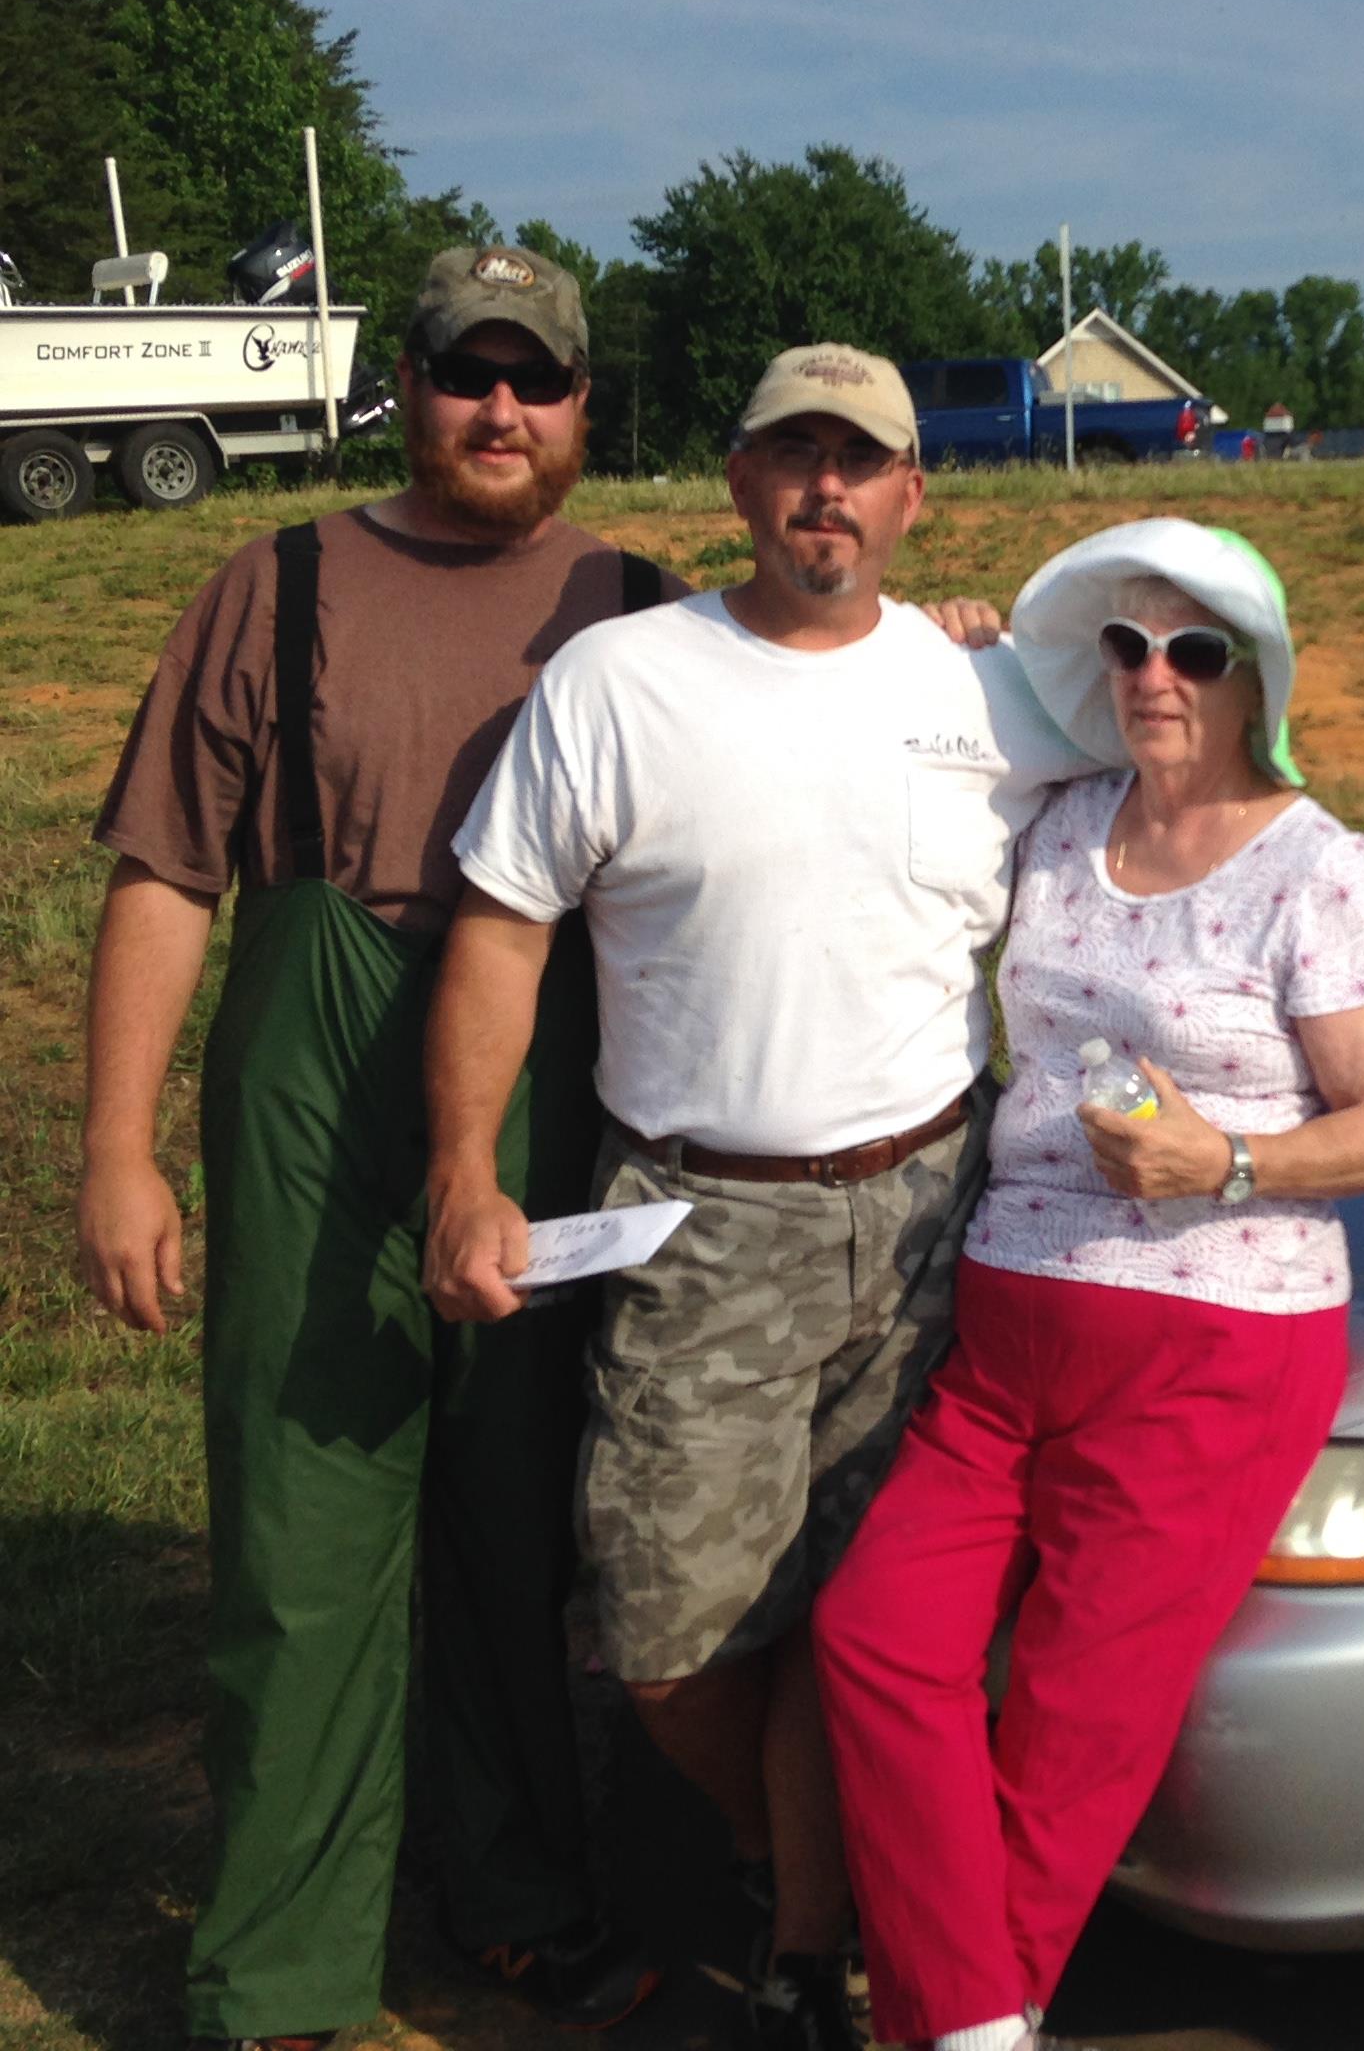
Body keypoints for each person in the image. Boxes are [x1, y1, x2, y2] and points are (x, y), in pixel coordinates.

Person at [421, 343, 1083, 2051]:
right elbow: (503, 925)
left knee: (870, 1624)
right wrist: (463, 1174)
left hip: (937, 1211)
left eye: (861, 464)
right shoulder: (624, 680)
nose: (827, 493)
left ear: (913, 494)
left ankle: (809, 1944)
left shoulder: (992, 697)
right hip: (702, 1227)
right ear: (737, 481)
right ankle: (767, 1841)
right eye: (795, 458)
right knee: (663, 1632)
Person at [77, 243, 676, 2050]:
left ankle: (506, 1892)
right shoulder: (270, 587)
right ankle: (281, 1962)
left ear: (581, 409)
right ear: (402, 388)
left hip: (548, 1082)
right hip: (312, 1073)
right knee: (306, 1523)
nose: (501, 410)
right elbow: (167, 874)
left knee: (514, 1523)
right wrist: (117, 1151)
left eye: (537, 380)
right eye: (464, 372)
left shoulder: (647, 611)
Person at [812, 517, 1364, 2051]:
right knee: (873, 1635)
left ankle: (961, 2021)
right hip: (1010, 1325)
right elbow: (933, 728)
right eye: (1126, 645)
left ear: (1252, 680)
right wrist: (961, 647)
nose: (1154, 677)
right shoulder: (1064, 815)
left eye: (1195, 650)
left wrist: (1223, 1162)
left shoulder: (1319, 870)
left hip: (1214, 1346)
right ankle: (972, 2015)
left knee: (1075, 1725)